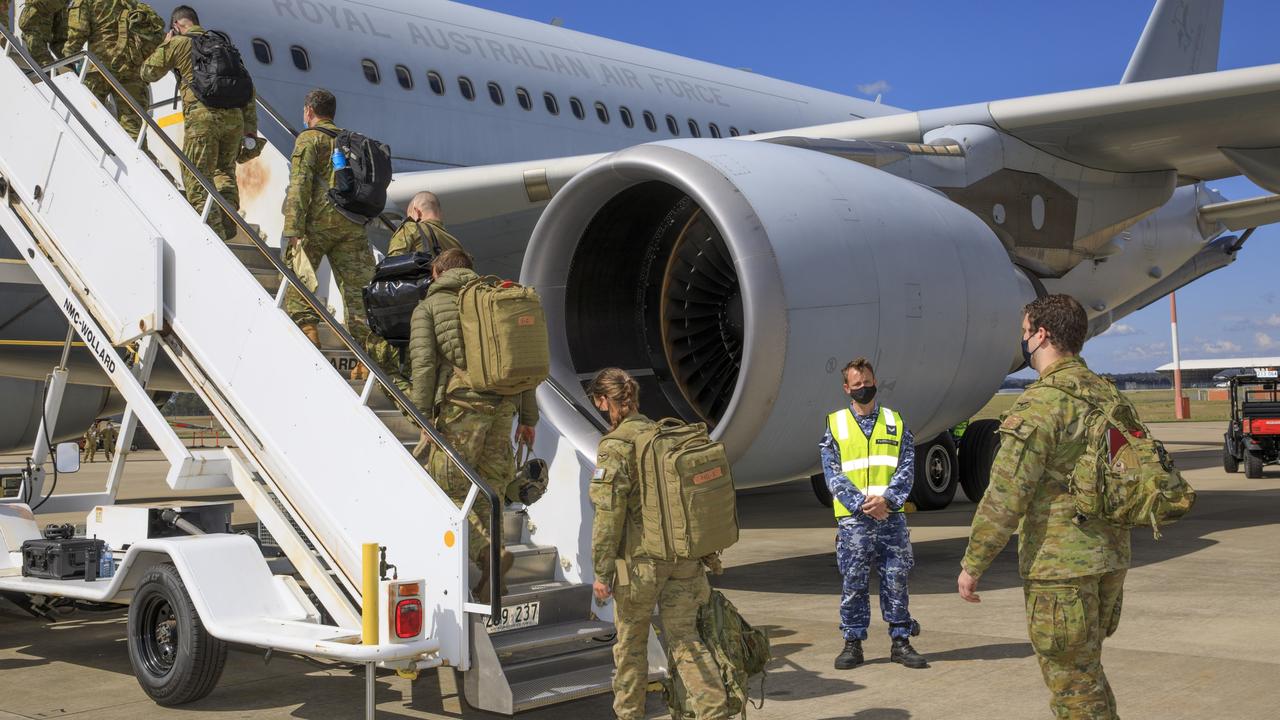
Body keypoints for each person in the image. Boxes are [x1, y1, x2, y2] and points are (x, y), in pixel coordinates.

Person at [958, 294, 1131, 720]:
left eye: (1025, 333)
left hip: (1060, 570)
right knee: (1086, 672)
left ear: (1041, 335)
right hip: (1110, 557)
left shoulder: (1040, 404)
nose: (1024, 343)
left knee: (1073, 687)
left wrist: (973, 563)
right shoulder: (1107, 395)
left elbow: (1005, 494)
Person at [587, 367, 728, 720]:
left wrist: (602, 572)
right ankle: (714, 712)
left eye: (598, 402)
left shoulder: (616, 445)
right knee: (686, 641)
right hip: (683, 559)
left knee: (631, 648)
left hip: (639, 567)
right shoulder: (665, 435)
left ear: (605, 401)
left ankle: (629, 715)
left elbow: (607, 516)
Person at [409, 248, 537, 598]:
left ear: (437, 272)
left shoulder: (429, 307)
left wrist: (419, 416)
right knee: (489, 489)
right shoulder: (494, 301)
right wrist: (528, 418)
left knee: (448, 487)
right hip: (505, 406)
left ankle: (488, 553)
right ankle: (494, 569)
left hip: (463, 407)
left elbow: (423, 364)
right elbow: (521, 362)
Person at [819, 357, 927, 670]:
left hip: (890, 518)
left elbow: (907, 466)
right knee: (854, 581)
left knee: (896, 579)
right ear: (846, 388)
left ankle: (900, 642)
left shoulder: (895, 421)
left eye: (868, 383)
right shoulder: (835, 423)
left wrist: (888, 501)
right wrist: (860, 503)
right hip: (854, 521)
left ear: (874, 382)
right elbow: (832, 471)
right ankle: (853, 644)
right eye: (857, 385)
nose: (864, 389)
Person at [280, 87, 376, 379]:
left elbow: (300, 185)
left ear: (309, 111)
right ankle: (365, 360)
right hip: (353, 225)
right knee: (358, 292)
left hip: (319, 224)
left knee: (297, 275)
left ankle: (309, 331)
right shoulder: (351, 141)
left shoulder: (310, 139)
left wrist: (293, 229)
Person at [139, 4, 256, 240]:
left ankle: (213, 235)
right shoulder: (225, 45)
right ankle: (229, 220)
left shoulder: (180, 43)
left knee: (196, 175)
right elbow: (248, 90)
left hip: (203, 118)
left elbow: (147, 72)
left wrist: (166, 43)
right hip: (234, 119)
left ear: (176, 26)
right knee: (224, 173)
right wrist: (250, 129)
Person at [64, 0, 160, 139]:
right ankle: (135, 159)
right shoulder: (132, 3)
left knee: (88, 119)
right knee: (134, 129)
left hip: (99, 69)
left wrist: (67, 57)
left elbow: (78, 32)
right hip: (132, 70)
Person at [386, 191, 462, 258]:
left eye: (410, 215)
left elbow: (393, 263)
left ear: (417, 212)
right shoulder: (455, 243)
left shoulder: (411, 228)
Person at [18, 0, 67, 65]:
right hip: (54, 9)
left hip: (39, 11)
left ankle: (50, 71)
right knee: (60, 44)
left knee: (34, 39)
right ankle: (73, 69)